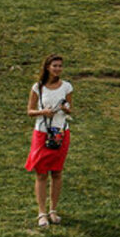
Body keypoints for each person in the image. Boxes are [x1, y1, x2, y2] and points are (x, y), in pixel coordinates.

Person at [25, 54, 74, 227]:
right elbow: (29, 111)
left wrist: (65, 109)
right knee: (41, 173)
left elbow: (70, 109)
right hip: (42, 133)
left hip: (60, 132)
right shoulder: (38, 87)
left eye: (60, 66)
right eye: (55, 66)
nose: (58, 69)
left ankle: (53, 210)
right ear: (47, 67)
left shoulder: (66, 87)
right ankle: (42, 212)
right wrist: (42, 112)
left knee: (57, 172)